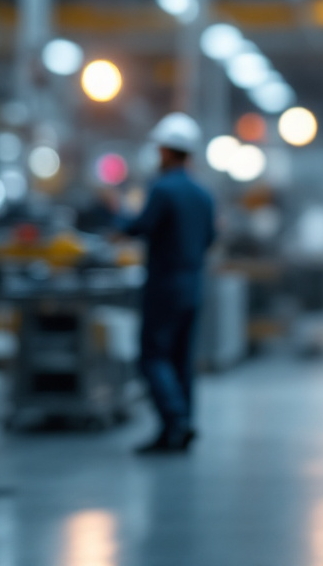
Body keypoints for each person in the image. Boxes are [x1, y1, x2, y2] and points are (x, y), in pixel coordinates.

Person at [121, 113, 216, 453]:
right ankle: (180, 426)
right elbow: (209, 239)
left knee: (153, 356)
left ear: (164, 151)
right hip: (193, 285)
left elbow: (138, 227)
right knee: (181, 361)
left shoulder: (161, 189)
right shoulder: (203, 195)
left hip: (164, 286)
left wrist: (115, 213)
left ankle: (175, 419)